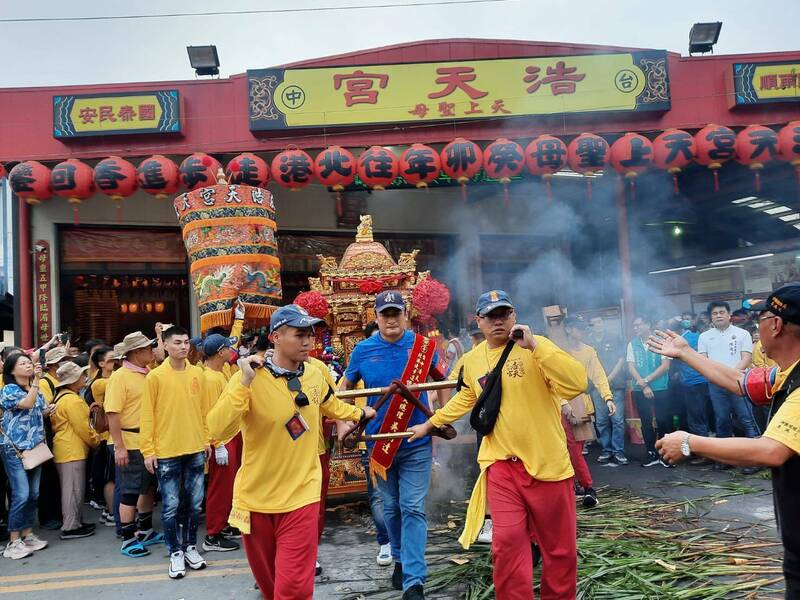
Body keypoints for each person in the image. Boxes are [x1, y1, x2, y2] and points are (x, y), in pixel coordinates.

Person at [409, 290, 586, 600]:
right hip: (502, 465)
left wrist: (536, 345)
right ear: (479, 321)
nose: (498, 321)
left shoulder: (536, 347)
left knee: (559, 551)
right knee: (505, 545)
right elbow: (467, 397)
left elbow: (576, 383)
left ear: (514, 316)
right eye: (491, 316)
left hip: (547, 465)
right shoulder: (472, 359)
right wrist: (430, 423)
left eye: (503, 314)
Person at [207, 304, 374, 599]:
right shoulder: (248, 378)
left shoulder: (315, 373)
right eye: (299, 334)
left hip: (302, 494)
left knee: (293, 589)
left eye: (310, 334)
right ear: (276, 337)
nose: (308, 341)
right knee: (272, 589)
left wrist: (359, 413)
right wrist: (244, 383)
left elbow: (329, 403)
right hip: (257, 499)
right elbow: (217, 430)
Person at [649, 284, 800, 597]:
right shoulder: (787, 374)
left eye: (760, 318)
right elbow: (740, 382)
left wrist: (690, 442)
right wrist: (686, 353)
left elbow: (771, 450)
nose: (755, 328)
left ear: (775, 325)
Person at [341, 291, 450, 600]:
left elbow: (442, 383)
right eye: (385, 313)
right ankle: (400, 559)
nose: (391, 318)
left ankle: (414, 580)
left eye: (396, 312)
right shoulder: (363, 350)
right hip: (379, 443)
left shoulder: (424, 347)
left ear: (406, 314)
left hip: (416, 440)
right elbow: (344, 389)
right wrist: (344, 424)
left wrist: (439, 419)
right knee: (390, 506)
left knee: (412, 507)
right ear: (375, 317)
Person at [140, 326, 209, 579]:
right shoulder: (155, 377)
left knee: (194, 504)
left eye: (186, 342)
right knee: (170, 506)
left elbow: (203, 411)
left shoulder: (197, 374)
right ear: (165, 346)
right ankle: (175, 551)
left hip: (195, 448)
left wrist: (206, 439)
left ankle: (190, 546)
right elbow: (147, 415)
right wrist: (148, 450)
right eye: (178, 342)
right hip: (166, 450)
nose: (183, 346)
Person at [104, 331, 164, 558]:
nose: (152, 351)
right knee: (129, 491)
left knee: (147, 488)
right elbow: (112, 413)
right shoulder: (120, 377)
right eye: (148, 348)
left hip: (145, 441)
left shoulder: (146, 372)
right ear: (136, 352)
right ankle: (128, 537)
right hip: (128, 441)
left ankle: (146, 530)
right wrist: (119, 447)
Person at [0, 352, 50, 559]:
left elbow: (40, 410)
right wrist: (37, 382)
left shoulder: (34, 389)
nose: (29, 366)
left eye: (29, 362)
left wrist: (48, 411)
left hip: (35, 448)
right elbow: (27, 404)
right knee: (21, 493)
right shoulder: (8, 390)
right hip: (14, 449)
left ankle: (27, 534)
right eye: (23, 363)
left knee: (34, 493)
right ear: (12, 370)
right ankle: (13, 541)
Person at [562, 317, 616, 507]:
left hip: (580, 406)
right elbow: (550, 378)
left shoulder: (588, 351)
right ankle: (576, 486)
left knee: (575, 449)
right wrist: (562, 402)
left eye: (584, 328)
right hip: (557, 406)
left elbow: (599, 375)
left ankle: (585, 487)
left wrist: (607, 397)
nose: (583, 331)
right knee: (562, 450)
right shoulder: (557, 350)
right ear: (568, 329)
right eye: (579, 328)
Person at [698, 301, 759, 467]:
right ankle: (725, 459)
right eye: (715, 313)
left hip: (739, 382)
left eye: (721, 312)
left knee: (746, 419)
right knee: (722, 420)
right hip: (716, 384)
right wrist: (720, 378)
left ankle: (754, 460)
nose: (718, 315)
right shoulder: (704, 337)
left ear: (729, 314)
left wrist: (729, 376)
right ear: (711, 317)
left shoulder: (742, 333)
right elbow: (703, 362)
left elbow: (746, 358)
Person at [201, 333, 242, 553]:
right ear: (220, 352)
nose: (231, 351)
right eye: (228, 348)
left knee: (230, 487)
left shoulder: (220, 372)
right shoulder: (209, 379)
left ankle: (224, 523)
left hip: (231, 435)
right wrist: (217, 444)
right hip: (223, 440)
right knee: (220, 488)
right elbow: (208, 415)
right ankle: (212, 534)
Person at [52, 362, 100, 540]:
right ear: (72, 381)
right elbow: (83, 428)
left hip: (66, 448)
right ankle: (71, 527)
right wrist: (96, 441)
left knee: (73, 488)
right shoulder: (72, 400)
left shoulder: (62, 396)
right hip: (71, 449)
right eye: (81, 376)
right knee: (73, 489)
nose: (84, 378)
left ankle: (76, 522)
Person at [627, 315, 673, 467]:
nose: (636, 328)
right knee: (646, 421)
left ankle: (666, 454)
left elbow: (665, 366)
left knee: (663, 420)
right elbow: (631, 367)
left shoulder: (661, 341)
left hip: (660, 387)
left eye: (638, 325)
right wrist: (643, 385)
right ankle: (651, 453)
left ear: (647, 324)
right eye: (634, 326)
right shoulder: (632, 344)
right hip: (640, 389)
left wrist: (646, 381)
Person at [588, 315, 628, 465]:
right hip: (596, 387)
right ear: (590, 326)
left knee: (617, 419)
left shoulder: (615, 337)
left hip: (615, 383)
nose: (597, 324)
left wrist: (609, 378)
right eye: (593, 323)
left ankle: (619, 451)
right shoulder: (588, 341)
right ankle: (607, 450)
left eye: (599, 321)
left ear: (603, 322)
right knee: (602, 420)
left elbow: (621, 359)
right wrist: (600, 382)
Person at [87, 345, 119, 527]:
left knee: (113, 476)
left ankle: (110, 510)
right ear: (101, 364)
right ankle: (111, 511)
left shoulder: (113, 378)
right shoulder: (100, 383)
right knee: (111, 477)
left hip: (112, 433)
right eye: (111, 360)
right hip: (107, 434)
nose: (115, 362)